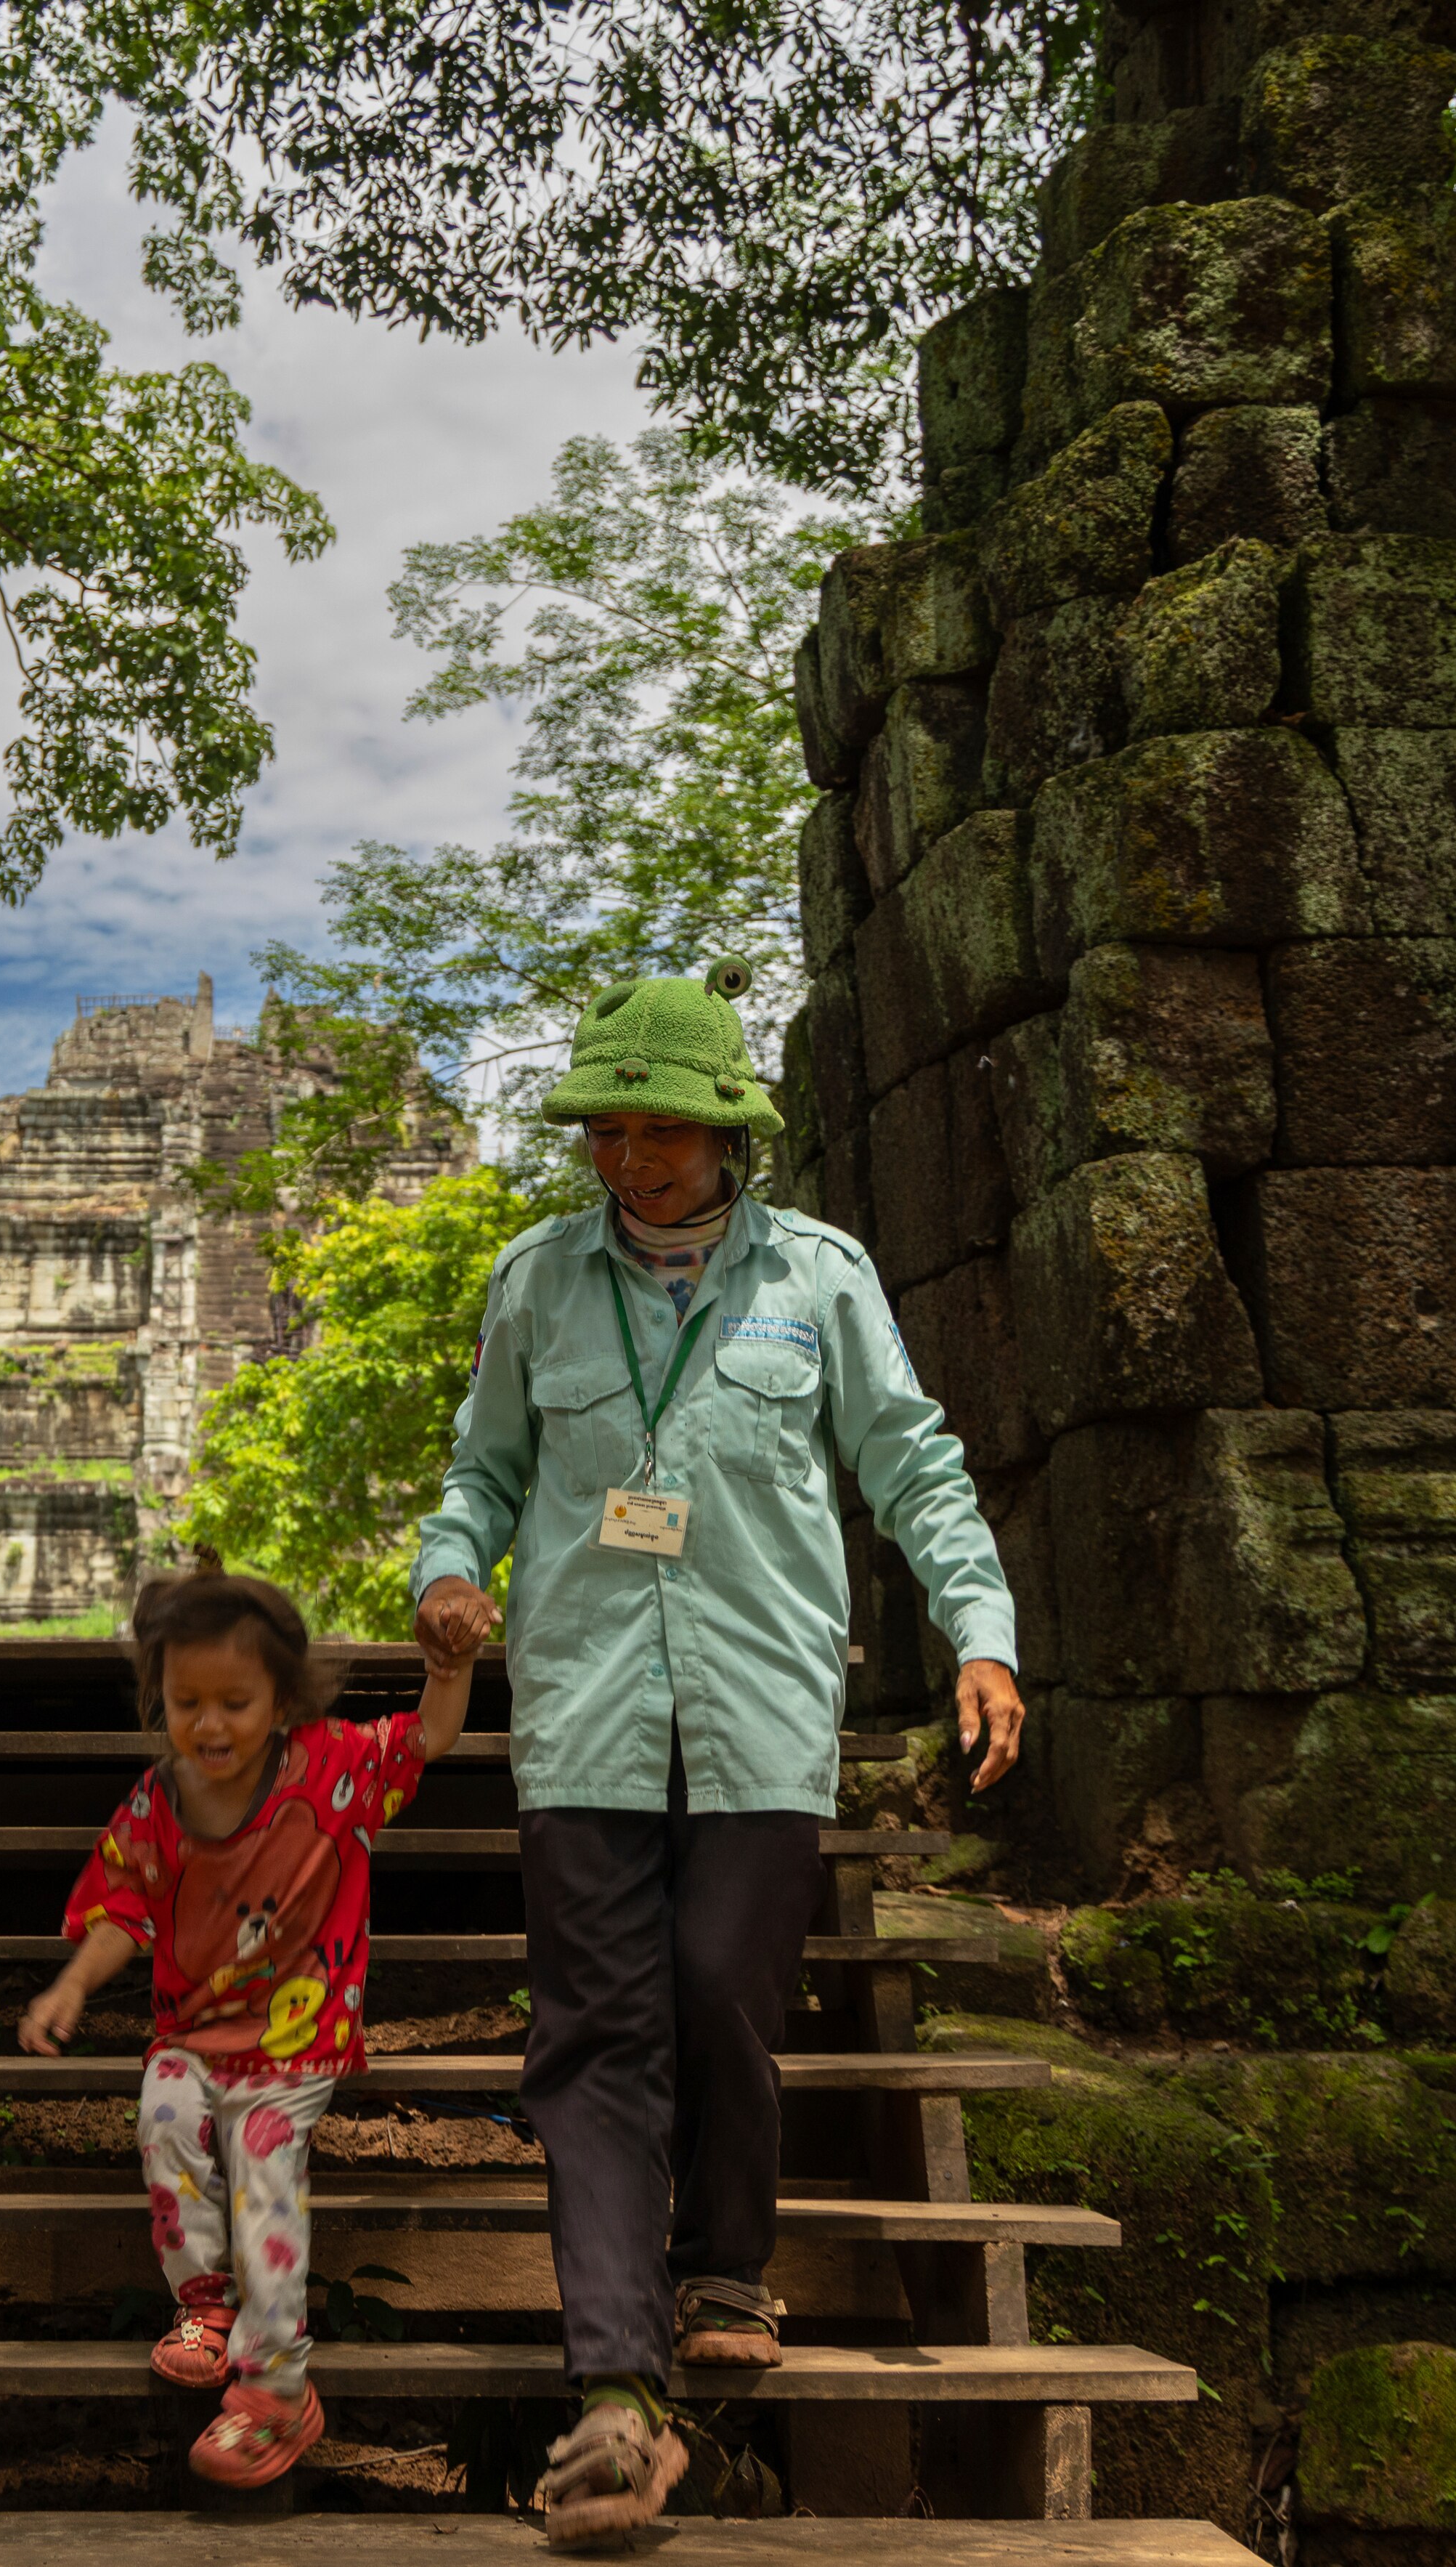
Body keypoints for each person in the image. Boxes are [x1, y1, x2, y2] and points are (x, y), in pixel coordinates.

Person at [410, 963, 1025, 2548]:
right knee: (592, 2039)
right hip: (583, 1713)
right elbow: (481, 1476)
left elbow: (913, 1460)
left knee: (717, 1994)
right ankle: (615, 2388)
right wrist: (447, 1573)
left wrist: (982, 1627)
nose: (628, 1162)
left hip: (756, 1712)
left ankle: (726, 2265)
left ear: (725, 1133)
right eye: (606, 1134)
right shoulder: (537, 1281)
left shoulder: (817, 1279)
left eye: (658, 1135)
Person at [22, 1561, 479, 2489]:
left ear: (281, 1698)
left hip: (290, 2046)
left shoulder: (335, 1768)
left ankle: (277, 2390)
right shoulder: (157, 1802)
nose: (210, 1724)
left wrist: (448, 1664)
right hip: (192, 2038)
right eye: (186, 1701)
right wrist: (72, 1986)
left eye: (235, 1700)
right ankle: (203, 2303)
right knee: (162, 2120)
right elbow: (121, 1908)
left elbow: (430, 1735)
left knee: (263, 2171)